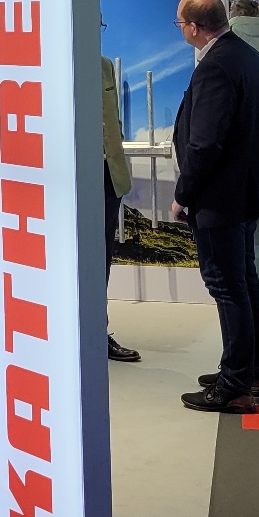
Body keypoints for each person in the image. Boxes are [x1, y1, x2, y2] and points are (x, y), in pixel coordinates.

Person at [170, 0, 259, 412]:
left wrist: (183, 195)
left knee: (227, 285)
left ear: (193, 27)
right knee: (242, 280)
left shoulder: (216, 66)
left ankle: (235, 384)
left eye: (180, 23)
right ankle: (246, 370)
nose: (181, 30)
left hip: (220, 196)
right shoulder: (245, 55)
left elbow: (204, 143)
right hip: (243, 191)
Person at [101, 56, 141, 362]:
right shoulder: (47, 65)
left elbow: (112, 120)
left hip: (107, 176)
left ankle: (96, 331)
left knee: (101, 259)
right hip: (69, 179)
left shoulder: (103, 65)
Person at [227, 0, 259, 77]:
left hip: (242, 77)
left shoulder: (232, 30)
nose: (229, 12)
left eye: (231, 9)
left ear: (241, 12)